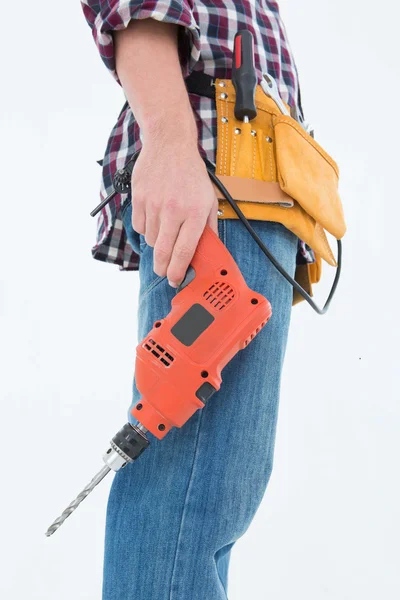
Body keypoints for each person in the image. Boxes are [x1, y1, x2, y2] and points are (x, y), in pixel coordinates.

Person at [81, 2, 311, 598]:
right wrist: (171, 143)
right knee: (188, 502)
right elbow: (134, 8)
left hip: (253, 194)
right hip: (220, 184)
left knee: (210, 498)